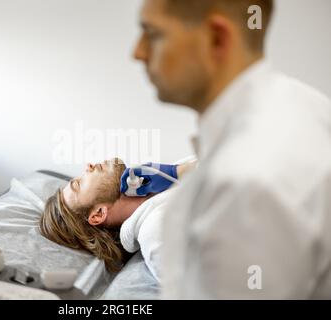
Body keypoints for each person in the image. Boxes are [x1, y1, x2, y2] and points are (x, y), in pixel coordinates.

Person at [131, 0, 331, 298]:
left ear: (217, 38)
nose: (138, 52)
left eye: (153, 34)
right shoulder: (305, 101)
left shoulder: (238, 185)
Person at [39, 158, 193, 277]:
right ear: (98, 214)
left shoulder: (162, 179)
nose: (88, 166)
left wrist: (181, 171)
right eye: (79, 184)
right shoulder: (155, 231)